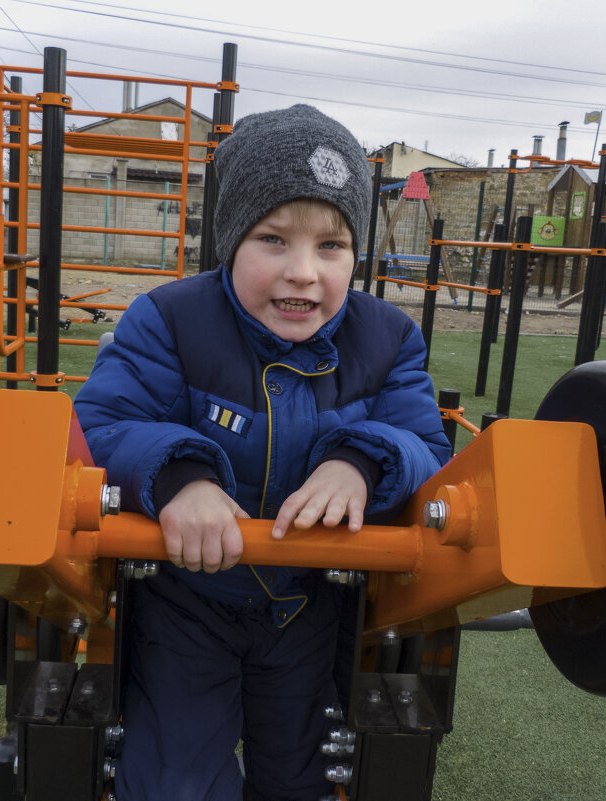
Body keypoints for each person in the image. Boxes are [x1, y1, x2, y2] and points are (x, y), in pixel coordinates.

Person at [73, 103, 452, 801]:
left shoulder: (388, 339)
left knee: (300, 780)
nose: (304, 272)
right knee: (174, 785)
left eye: (331, 246)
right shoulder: (170, 321)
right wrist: (181, 476)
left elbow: (428, 445)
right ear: (230, 241)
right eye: (274, 239)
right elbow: (99, 424)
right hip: (185, 602)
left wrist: (360, 463)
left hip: (309, 608)